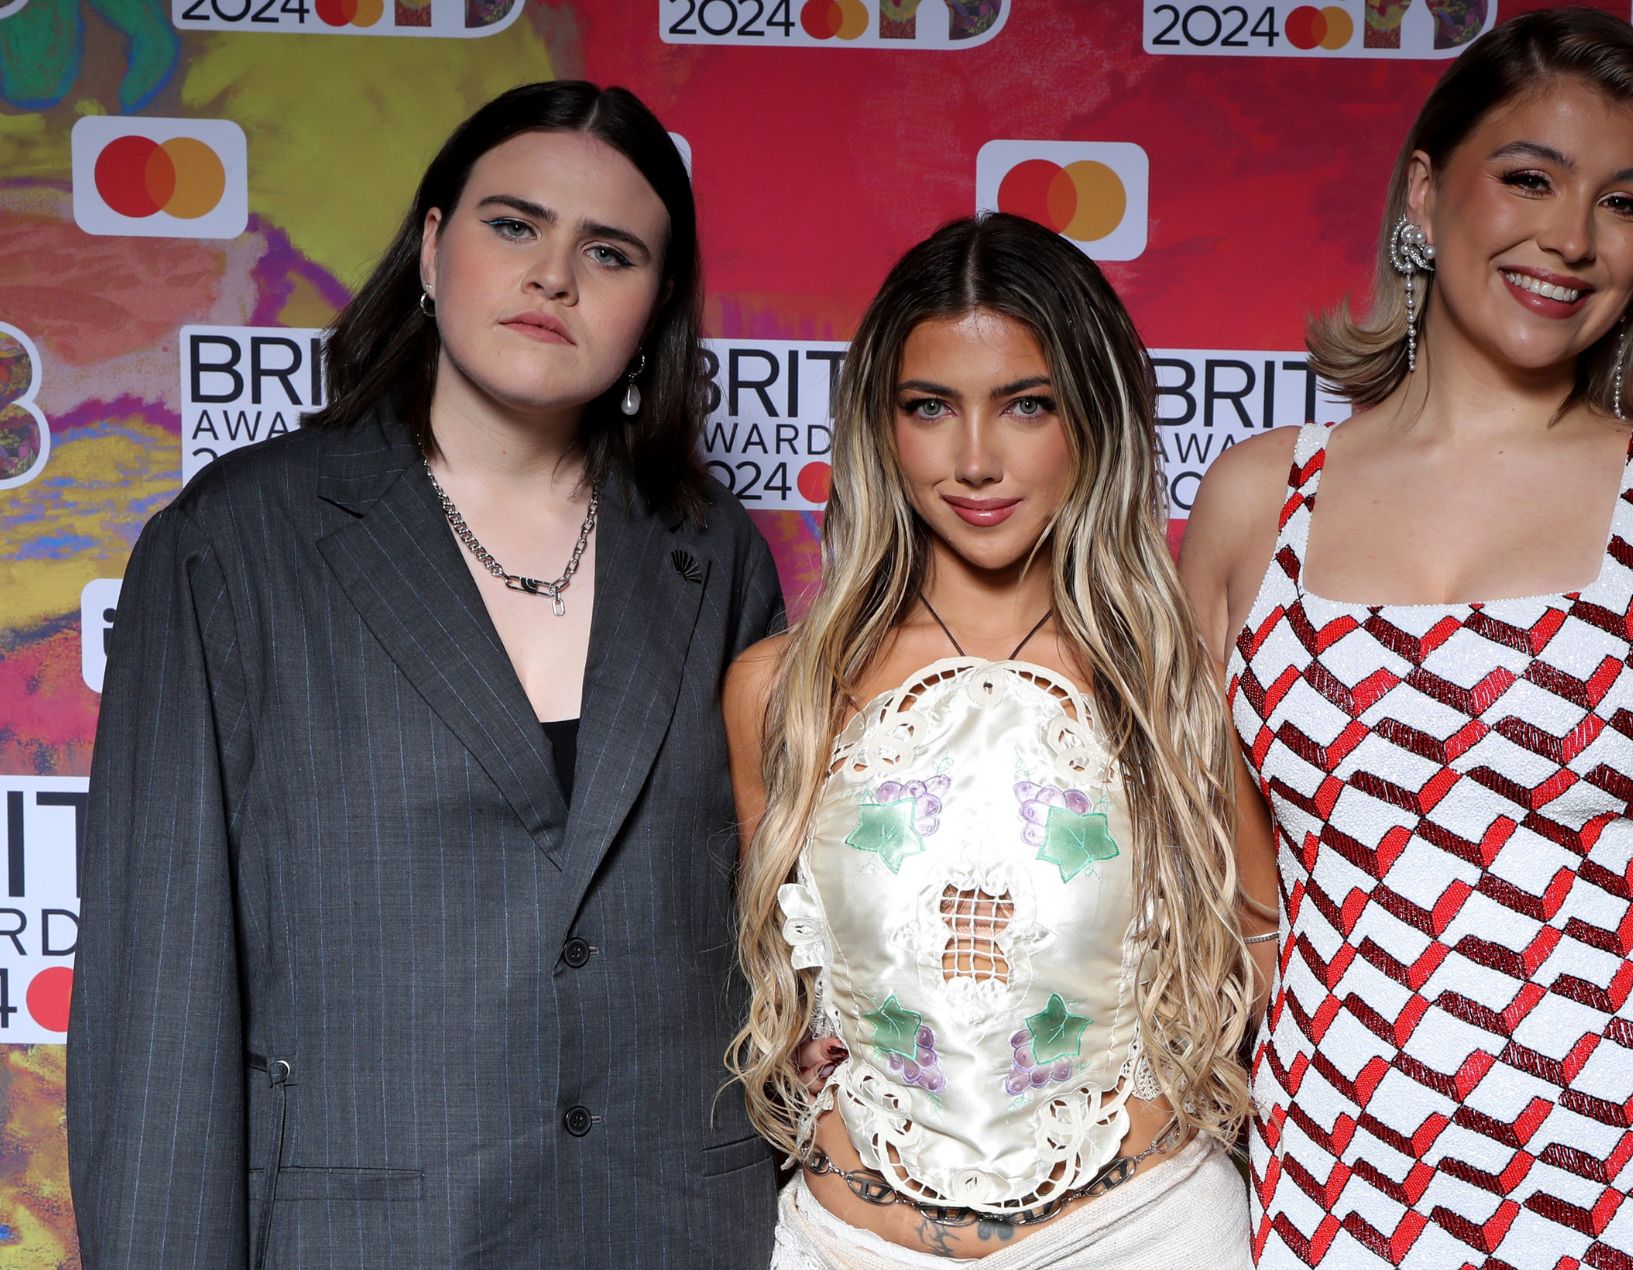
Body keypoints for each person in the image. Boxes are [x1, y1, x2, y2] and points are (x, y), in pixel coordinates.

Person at [1179, 10, 1633, 1268]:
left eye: (1622, 202)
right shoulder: (1253, 498)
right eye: (1527, 179)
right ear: (1424, 190)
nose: (1568, 237)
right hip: (1343, 1166)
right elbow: (1225, 889)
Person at [68, 81, 785, 1269]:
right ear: (435, 244)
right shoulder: (233, 544)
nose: (553, 275)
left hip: (680, 1229)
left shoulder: (713, 553)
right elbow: (158, 999)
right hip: (366, 1235)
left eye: (608, 252)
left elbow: (770, 924)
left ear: (656, 306)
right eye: (514, 226)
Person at [723, 212, 1279, 1268]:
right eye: (929, 407)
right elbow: (782, 978)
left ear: (1093, 417)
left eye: (1026, 405)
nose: (975, 459)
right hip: (850, 1245)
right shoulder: (781, 690)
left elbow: (1261, 955)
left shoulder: (1178, 685)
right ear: (879, 428)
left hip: (1141, 1233)